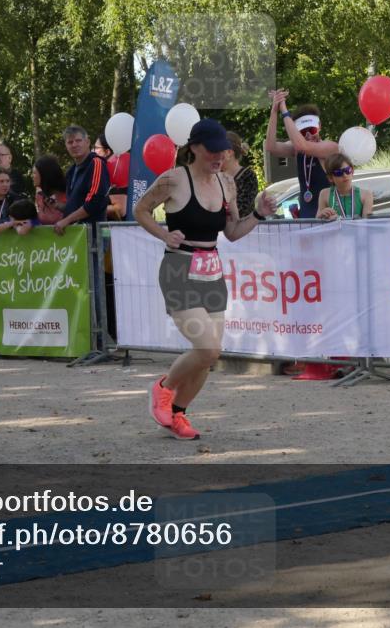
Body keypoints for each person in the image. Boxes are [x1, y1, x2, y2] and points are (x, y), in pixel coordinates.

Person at [134, 119, 278, 440]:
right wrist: (162, 234)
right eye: (213, 150)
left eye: (224, 151)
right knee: (209, 349)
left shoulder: (228, 183)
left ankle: (178, 414)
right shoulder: (173, 179)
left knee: (207, 359)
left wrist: (259, 214)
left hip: (212, 272)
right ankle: (163, 388)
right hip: (178, 271)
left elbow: (232, 233)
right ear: (195, 148)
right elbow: (140, 210)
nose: (219, 156)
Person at [265, 89, 340, 219]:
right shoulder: (298, 150)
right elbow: (271, 147)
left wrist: (284, 110)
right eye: (303, 132)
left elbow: (302, 145)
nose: (309, 135)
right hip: (306, 218)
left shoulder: (330, 147)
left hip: (328, 218)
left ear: (319, 126)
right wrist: (274, 110)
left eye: (312, 129)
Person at [54, 125, 110, 235]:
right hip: (76, 238)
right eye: (70, 142)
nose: (74, 145)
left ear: (88, 142)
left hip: (93, 238)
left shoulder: (96, 164)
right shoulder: (71, 171)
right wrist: (59, 206)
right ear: (66, 146)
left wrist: (67, 220)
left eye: (78, 140)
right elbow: (76, 205)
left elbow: (94, 202)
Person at [317, 154, 373, 221]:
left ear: (352, 171)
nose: (345, 175)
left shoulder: (366, 195)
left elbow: (367, 224)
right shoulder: (324, 194)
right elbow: (316, 223)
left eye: (347, 170)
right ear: (330, 178)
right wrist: (322, 215)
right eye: (339, 173)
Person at [224, 131, 259, 218]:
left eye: (218, 150)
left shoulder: (248, 176)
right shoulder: (215, 175)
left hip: (243, 229)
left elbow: (241, 209)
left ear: (229, 152)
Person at [32, 155, 67, 225]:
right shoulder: (39, 195)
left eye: (34, 173)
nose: (32, 176)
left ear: (44, 175)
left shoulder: (67, 194)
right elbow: (39, 220)